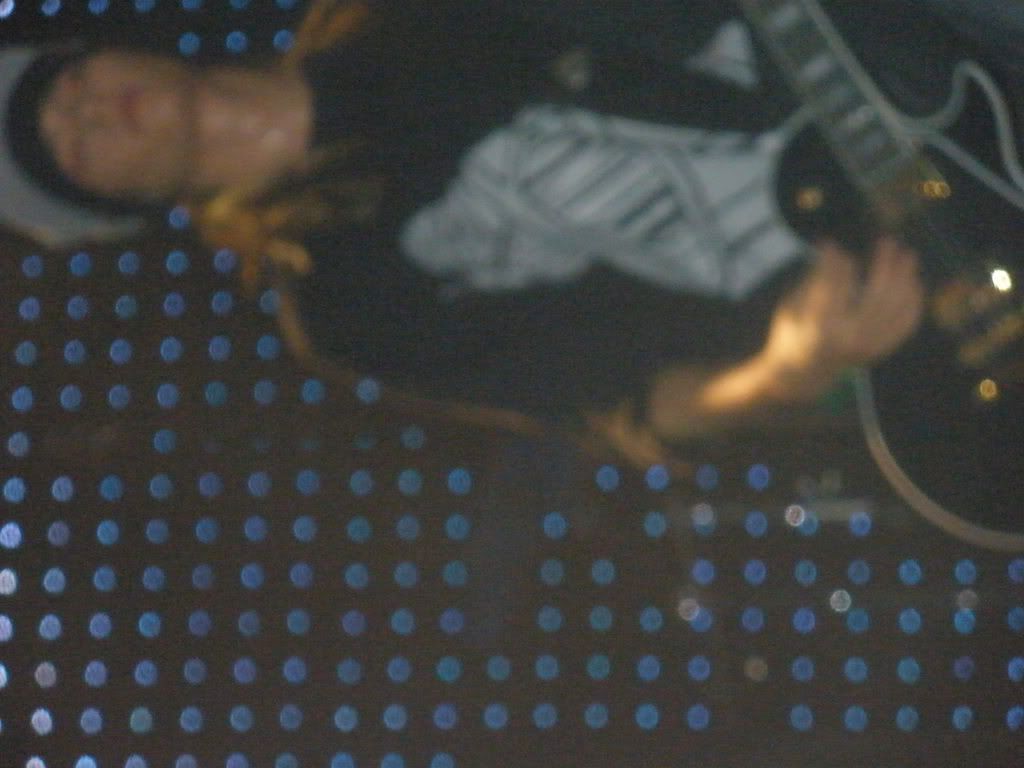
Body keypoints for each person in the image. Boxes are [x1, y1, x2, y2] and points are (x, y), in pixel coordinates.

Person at [2, 0, 955, 464]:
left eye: (68, 84)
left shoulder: (381, 17)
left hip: (903, 60)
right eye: (69, 147)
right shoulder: (344, 302)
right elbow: (618, 406)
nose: (87, 111)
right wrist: (787, 371)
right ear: (113, 210)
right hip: (931, 267)